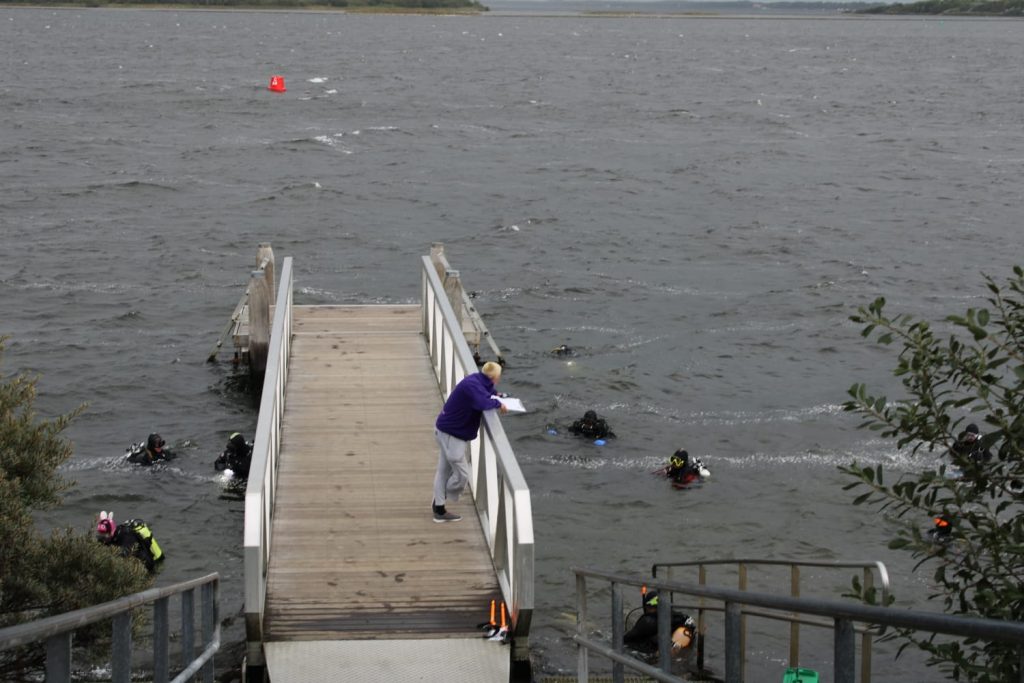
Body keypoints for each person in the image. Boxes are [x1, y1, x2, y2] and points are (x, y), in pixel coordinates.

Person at [432, 361, 508, 523]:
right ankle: (443, 494)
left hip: (445, 431)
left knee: (443, 471)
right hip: (451, 435)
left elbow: (486, 392)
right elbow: (482, 403)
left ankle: (439, 508)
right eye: (499, 377)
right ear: (494, 377)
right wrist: (498, 403)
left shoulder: (477, 380)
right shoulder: (473, 386)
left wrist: (498, 395)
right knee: (462, 475)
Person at [623, 589, 697, 656]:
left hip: (654, 652)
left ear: (647, 606)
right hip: (676, 644)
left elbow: (626, 638)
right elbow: (689, 621)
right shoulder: (674, 616)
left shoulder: (646, 622)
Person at [96, 511, 164, 573]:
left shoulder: (127, 537)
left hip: (147, 565)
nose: (104, 537)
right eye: (102, 534)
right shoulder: (113, 535)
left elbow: (124, 554)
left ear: (111, 531)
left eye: (106, 534)